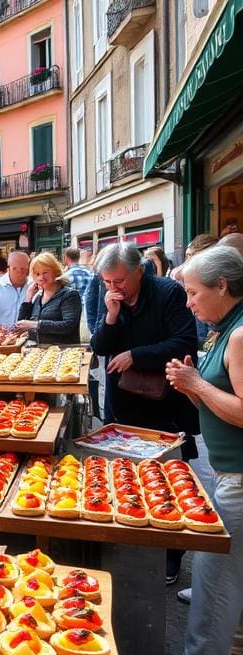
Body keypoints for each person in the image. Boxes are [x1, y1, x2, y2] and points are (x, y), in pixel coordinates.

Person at [90, 241, 200, 585]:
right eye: (107, 281)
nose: (113, 288)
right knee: (124, 472)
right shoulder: (105, 291)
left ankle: (170, 555)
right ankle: (130, 534)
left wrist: (137, 355)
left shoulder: (168, 292)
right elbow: (98, 346)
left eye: (119, 281)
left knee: (166, 476)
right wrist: (109, 316)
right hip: (123, 399)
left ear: (139, 271)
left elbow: (184, 342)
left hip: (163, 400)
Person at [164, 244, 243, 655]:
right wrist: (192, 388)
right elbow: (220, 400)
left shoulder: (239, 334)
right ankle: (231, 645)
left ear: (222, 286)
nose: (190, 303)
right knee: (234, 568)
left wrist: (196, 384)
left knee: (217, 572)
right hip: (231, 466)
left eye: (194, 293)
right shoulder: (224, 327)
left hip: (239, 471)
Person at [15, 252, 83, 344]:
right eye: (37, 274)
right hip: (39, 353)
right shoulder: (38, 296)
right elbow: (21, 324)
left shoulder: (69, 295)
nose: (41, 277)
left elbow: (68, 326)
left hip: (64, 352)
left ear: (55, 271)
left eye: (45, 272)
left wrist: (36, 324)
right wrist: (28, 297)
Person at [0, 251, 30, 331]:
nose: (19, 272)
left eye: (23, 269)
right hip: (4, 338)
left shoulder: (34, 286)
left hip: (28, 338)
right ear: (8, 268)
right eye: (15, 268)